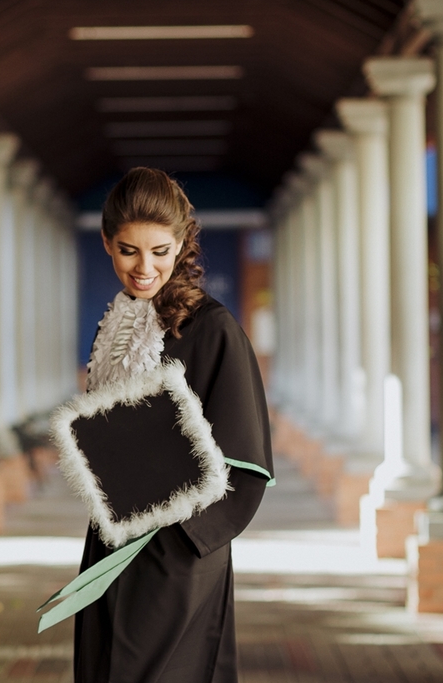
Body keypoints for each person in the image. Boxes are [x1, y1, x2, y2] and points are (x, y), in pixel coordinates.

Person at [74, 167, 274, 683]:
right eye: (129, 251)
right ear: (107, 243)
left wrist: (177, 538)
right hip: (111, 544)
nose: (144, 268)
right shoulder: (114, 323)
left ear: (181, 243)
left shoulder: (214, 329)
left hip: (177, 556)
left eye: (160, 251)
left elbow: (245, 460)